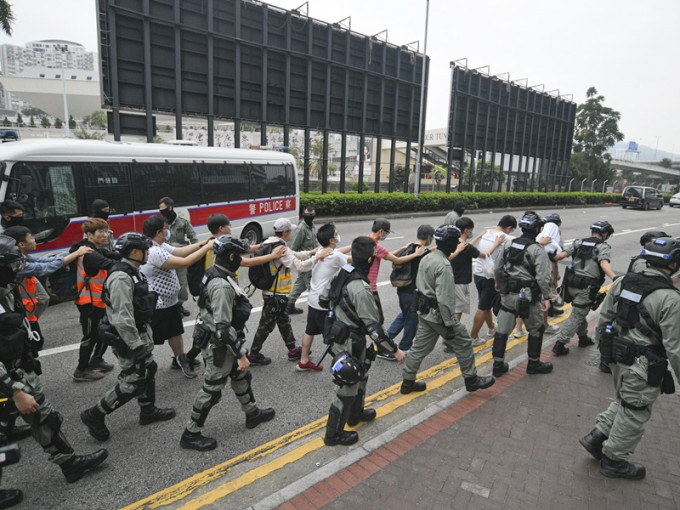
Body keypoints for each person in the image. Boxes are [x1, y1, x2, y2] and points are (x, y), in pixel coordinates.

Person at [0, 234, 108, 483]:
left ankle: (70, 464)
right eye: (12, 266)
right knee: (41, 415)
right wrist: (16, 391)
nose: (18, 271)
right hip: (9, 379)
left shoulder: (6, 289)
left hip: (15, 369)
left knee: (44, 417)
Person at [579, 237, 680, 480]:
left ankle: (597, 437)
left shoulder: (623, 282)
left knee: (625, 400)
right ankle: (614, 461)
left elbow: (603, 320)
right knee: (635, 409)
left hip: (616, 356)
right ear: (674, 264)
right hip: (643, 365)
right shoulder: (671, 299)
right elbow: (675, 348)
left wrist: (606, 352)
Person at [180, 235, 275, 451]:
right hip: (220, 345)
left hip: (224, 340)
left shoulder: (218, 272)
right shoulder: (221, 286)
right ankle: (190, 433)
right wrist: (241, 354)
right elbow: (222, 329)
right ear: (231, 256)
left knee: (241, 377)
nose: (241, 259)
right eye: (239, 256)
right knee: (212, 389)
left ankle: (252, 413)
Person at [80, 232, 177, 442]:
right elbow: (122, 318)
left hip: (138, 333)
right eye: (145, 250)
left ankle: (147, 410)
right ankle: (95, 414)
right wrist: (136, 346)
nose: (148, 253)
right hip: (127, 337)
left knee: (147, 369)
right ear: (134, 252)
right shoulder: (121, 277)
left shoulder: (133, 271)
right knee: (132, 380)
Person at [320, 237, 406, 446]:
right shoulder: (360, 287)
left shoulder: (343, 272)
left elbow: (324, 300)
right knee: (346, 387)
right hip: (351, 340)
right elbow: (374, 329)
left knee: (360, 377)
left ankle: (355, 415)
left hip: (340, 334)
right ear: (370, 259)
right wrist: (395, 350)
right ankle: (333, 435)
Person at [400, 225, 495, 395]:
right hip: (438, 316)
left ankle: (407, 382)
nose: (458, 243)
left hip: (424, 312)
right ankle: (471, 380)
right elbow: (444, 300)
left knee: (420, 349)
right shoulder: (443, 266)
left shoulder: (427, 257)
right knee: (464, 343)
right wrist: (450, 324)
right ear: (451, 243)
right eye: (456, 240)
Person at [247, 218, 330, 366]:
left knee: (284, 322)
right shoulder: (280, 248)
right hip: (275, 294)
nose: (291, 232)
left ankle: (292, 350)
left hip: (276, 294)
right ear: (285, 232)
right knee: (265, 326)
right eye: (290, 230)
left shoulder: (273, 243)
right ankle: (253, 354)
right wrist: (317, 258)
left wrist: (311, 252)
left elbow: (295, 254)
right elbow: (299, 266)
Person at [4, 226, 92, 363]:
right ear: (21, 244)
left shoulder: (21, 257)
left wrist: (73, 252)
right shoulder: (14, 264)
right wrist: (75, 254)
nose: (35, 240)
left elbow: (45, 261)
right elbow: (45, 268)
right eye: (31, 238)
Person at [140, 216, 213, 378]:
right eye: (166, 229)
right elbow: (184, 262)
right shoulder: (154, 251)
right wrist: (208, 247)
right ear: (159, 232)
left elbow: (180, 251)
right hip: (157, 304)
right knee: (150, 337)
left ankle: (179, 358)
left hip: (169, 302)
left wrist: (202, 243)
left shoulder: (159, 244)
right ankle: (139, 366)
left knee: (175, 331)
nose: (168, 231)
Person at [491, 212, 553, 377]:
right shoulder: (537, 250)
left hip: (508, 294)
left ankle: (497, 365)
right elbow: (543, 277)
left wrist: (499, 283)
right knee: (536, 329)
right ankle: (533, 364)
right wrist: (547, 297)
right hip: (528, 297)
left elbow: (497, 268)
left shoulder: (509, 244)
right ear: (537, 229)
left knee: (502, 332)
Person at [551, 221, 617, 357]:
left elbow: (559, 256)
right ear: (604, 234)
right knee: (577, 314)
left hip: (571, 285)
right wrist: (615, 278)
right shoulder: (602, 247)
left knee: (579, 312)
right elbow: (604, 263)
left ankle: (583, 338)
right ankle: (560, 344)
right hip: (587, 287)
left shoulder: (578, 243)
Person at [366, 218, 427, 361]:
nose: (386, 235)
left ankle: (379, 346)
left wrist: (402, 248)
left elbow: (386, 254)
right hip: (370, 288)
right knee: (377, 322)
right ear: (381, 231)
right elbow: (396, 260)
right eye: (386, 232)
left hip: (363, 285)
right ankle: (382, 348)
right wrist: (415, 254)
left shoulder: (368, 241)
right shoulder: (376, 246)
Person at [71, 218, 122, 381]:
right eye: (101, 232)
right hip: (89, 303)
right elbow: (111, 263)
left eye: (106, 231)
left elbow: (114, 255)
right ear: (89, 234)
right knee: (90, 336)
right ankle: (81, 370)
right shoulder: (89, 253)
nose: (105, 235)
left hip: (98, 300)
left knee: (104, 331)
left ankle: (97, 359)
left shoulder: (96, 249)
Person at [297, 223, 350, 371]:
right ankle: (343, 367)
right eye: (336, 234)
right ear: (332, 240)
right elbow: (350, 263)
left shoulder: (321, 250)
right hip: (324, 302)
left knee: (310, 330)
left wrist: (352, 246)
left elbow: (338, 252)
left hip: (313, 299)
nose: (338, 235)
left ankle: (304, 360)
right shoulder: (336, 256)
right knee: (334, 336)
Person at [451, 217, 502, 345]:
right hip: (460, 282)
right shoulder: (465, 246)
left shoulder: (455, 242)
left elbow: (469, 247)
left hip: (453, 279)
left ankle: (491, 328)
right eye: (471, 230)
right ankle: (454, 339)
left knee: (458, 309)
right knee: (458, 312)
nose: (471, 232)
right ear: (466, 230)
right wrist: (496, 244)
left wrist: (479, 236)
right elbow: (484, 255)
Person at [385, 225, 434, 352]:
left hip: (402, 289)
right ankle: (404, 348)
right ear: (429, 237)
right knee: (411, 321)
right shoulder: (422, 252)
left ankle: (384, 341)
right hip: (412, 292)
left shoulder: (410, 247)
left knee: (404, 316)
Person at [470, 215, 517, 342]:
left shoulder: (487, 233)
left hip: (478, 274)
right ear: (509, 227)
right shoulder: (504, 237)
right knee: (483, 307)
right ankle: (473, 338)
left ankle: (491, 328)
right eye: (511, 230)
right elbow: (524, 241)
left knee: (485, 304)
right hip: (489, 277)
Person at [159, 197, 199, 317]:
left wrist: (196, 251)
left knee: (182, 283)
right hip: (165, 257)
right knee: (168, 282)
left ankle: (179, 305)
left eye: (163, 208)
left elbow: (193, 237)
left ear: (170, 208)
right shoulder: (160, 223)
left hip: (181, 255)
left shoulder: (182, 222)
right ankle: (170, 306)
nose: (161, 211)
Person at [286, 205, 317, 315]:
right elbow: (293, 248)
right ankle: (317, 308)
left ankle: (289, 305)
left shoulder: (312, 226)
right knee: (312, 286)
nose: (310, 216)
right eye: (308, 215)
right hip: (305, 262)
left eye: (312, 214)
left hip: (313, 260)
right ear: (303, 215)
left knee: (300, 284)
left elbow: (315, 242)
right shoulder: (301, 229)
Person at [537, 213, 565, 324]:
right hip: (544, 276)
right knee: (544, 299)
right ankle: (544, 325)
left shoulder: (538, 238)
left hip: (530, 275)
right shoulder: (552, 242)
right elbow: (555, 261)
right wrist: (555, 278)